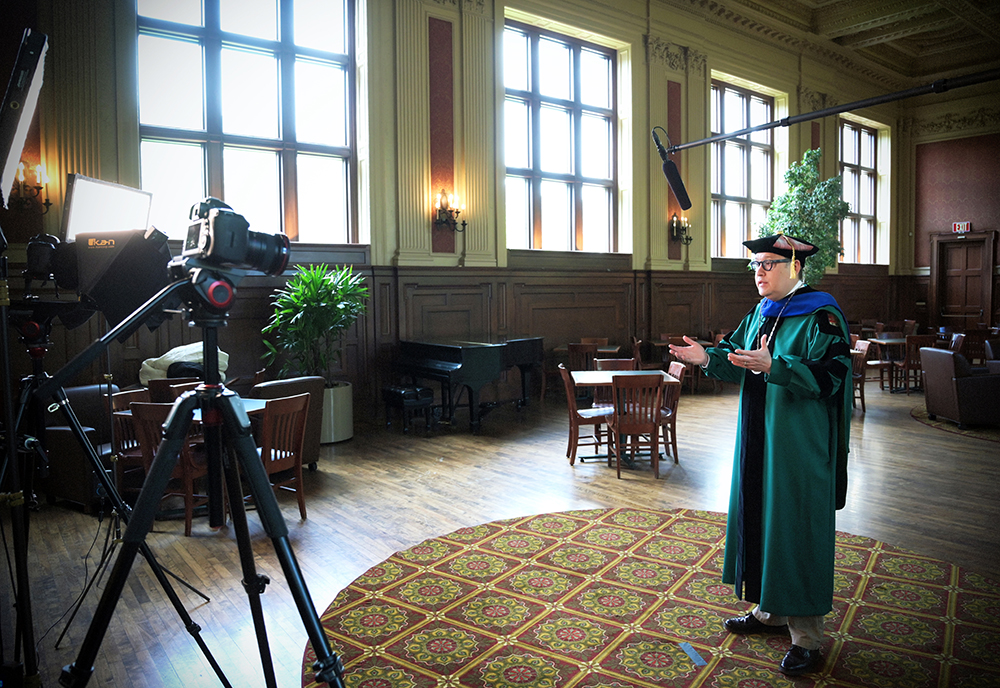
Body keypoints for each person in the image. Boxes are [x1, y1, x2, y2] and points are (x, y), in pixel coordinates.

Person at [669, 233, 852, 677]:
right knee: (762, 522)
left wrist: (778, 367)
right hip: (757, 439)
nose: (759, 273)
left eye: (769, 264)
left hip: (798, 446)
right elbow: (734, 355)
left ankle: (807, 638)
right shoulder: (760, 313)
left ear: (796, 266)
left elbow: (834, 378)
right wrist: (705, 357)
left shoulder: (821, 315)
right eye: (755, 266)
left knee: (795, 530)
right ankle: (770, 612)